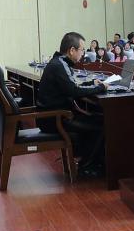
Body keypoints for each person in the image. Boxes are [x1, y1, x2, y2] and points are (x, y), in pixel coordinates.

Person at [36, 32, 107, 178]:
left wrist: (91, 83)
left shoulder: (59, 62)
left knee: (97, 119)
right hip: (55, 119)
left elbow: (70, 86)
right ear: (72, 50)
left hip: (53, 116)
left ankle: (92, 163)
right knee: (102, 124)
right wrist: (100, 87)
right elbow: (73, 91)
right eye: (82, 49)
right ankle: (86, 168)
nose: (83, 53)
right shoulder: (59, 65)